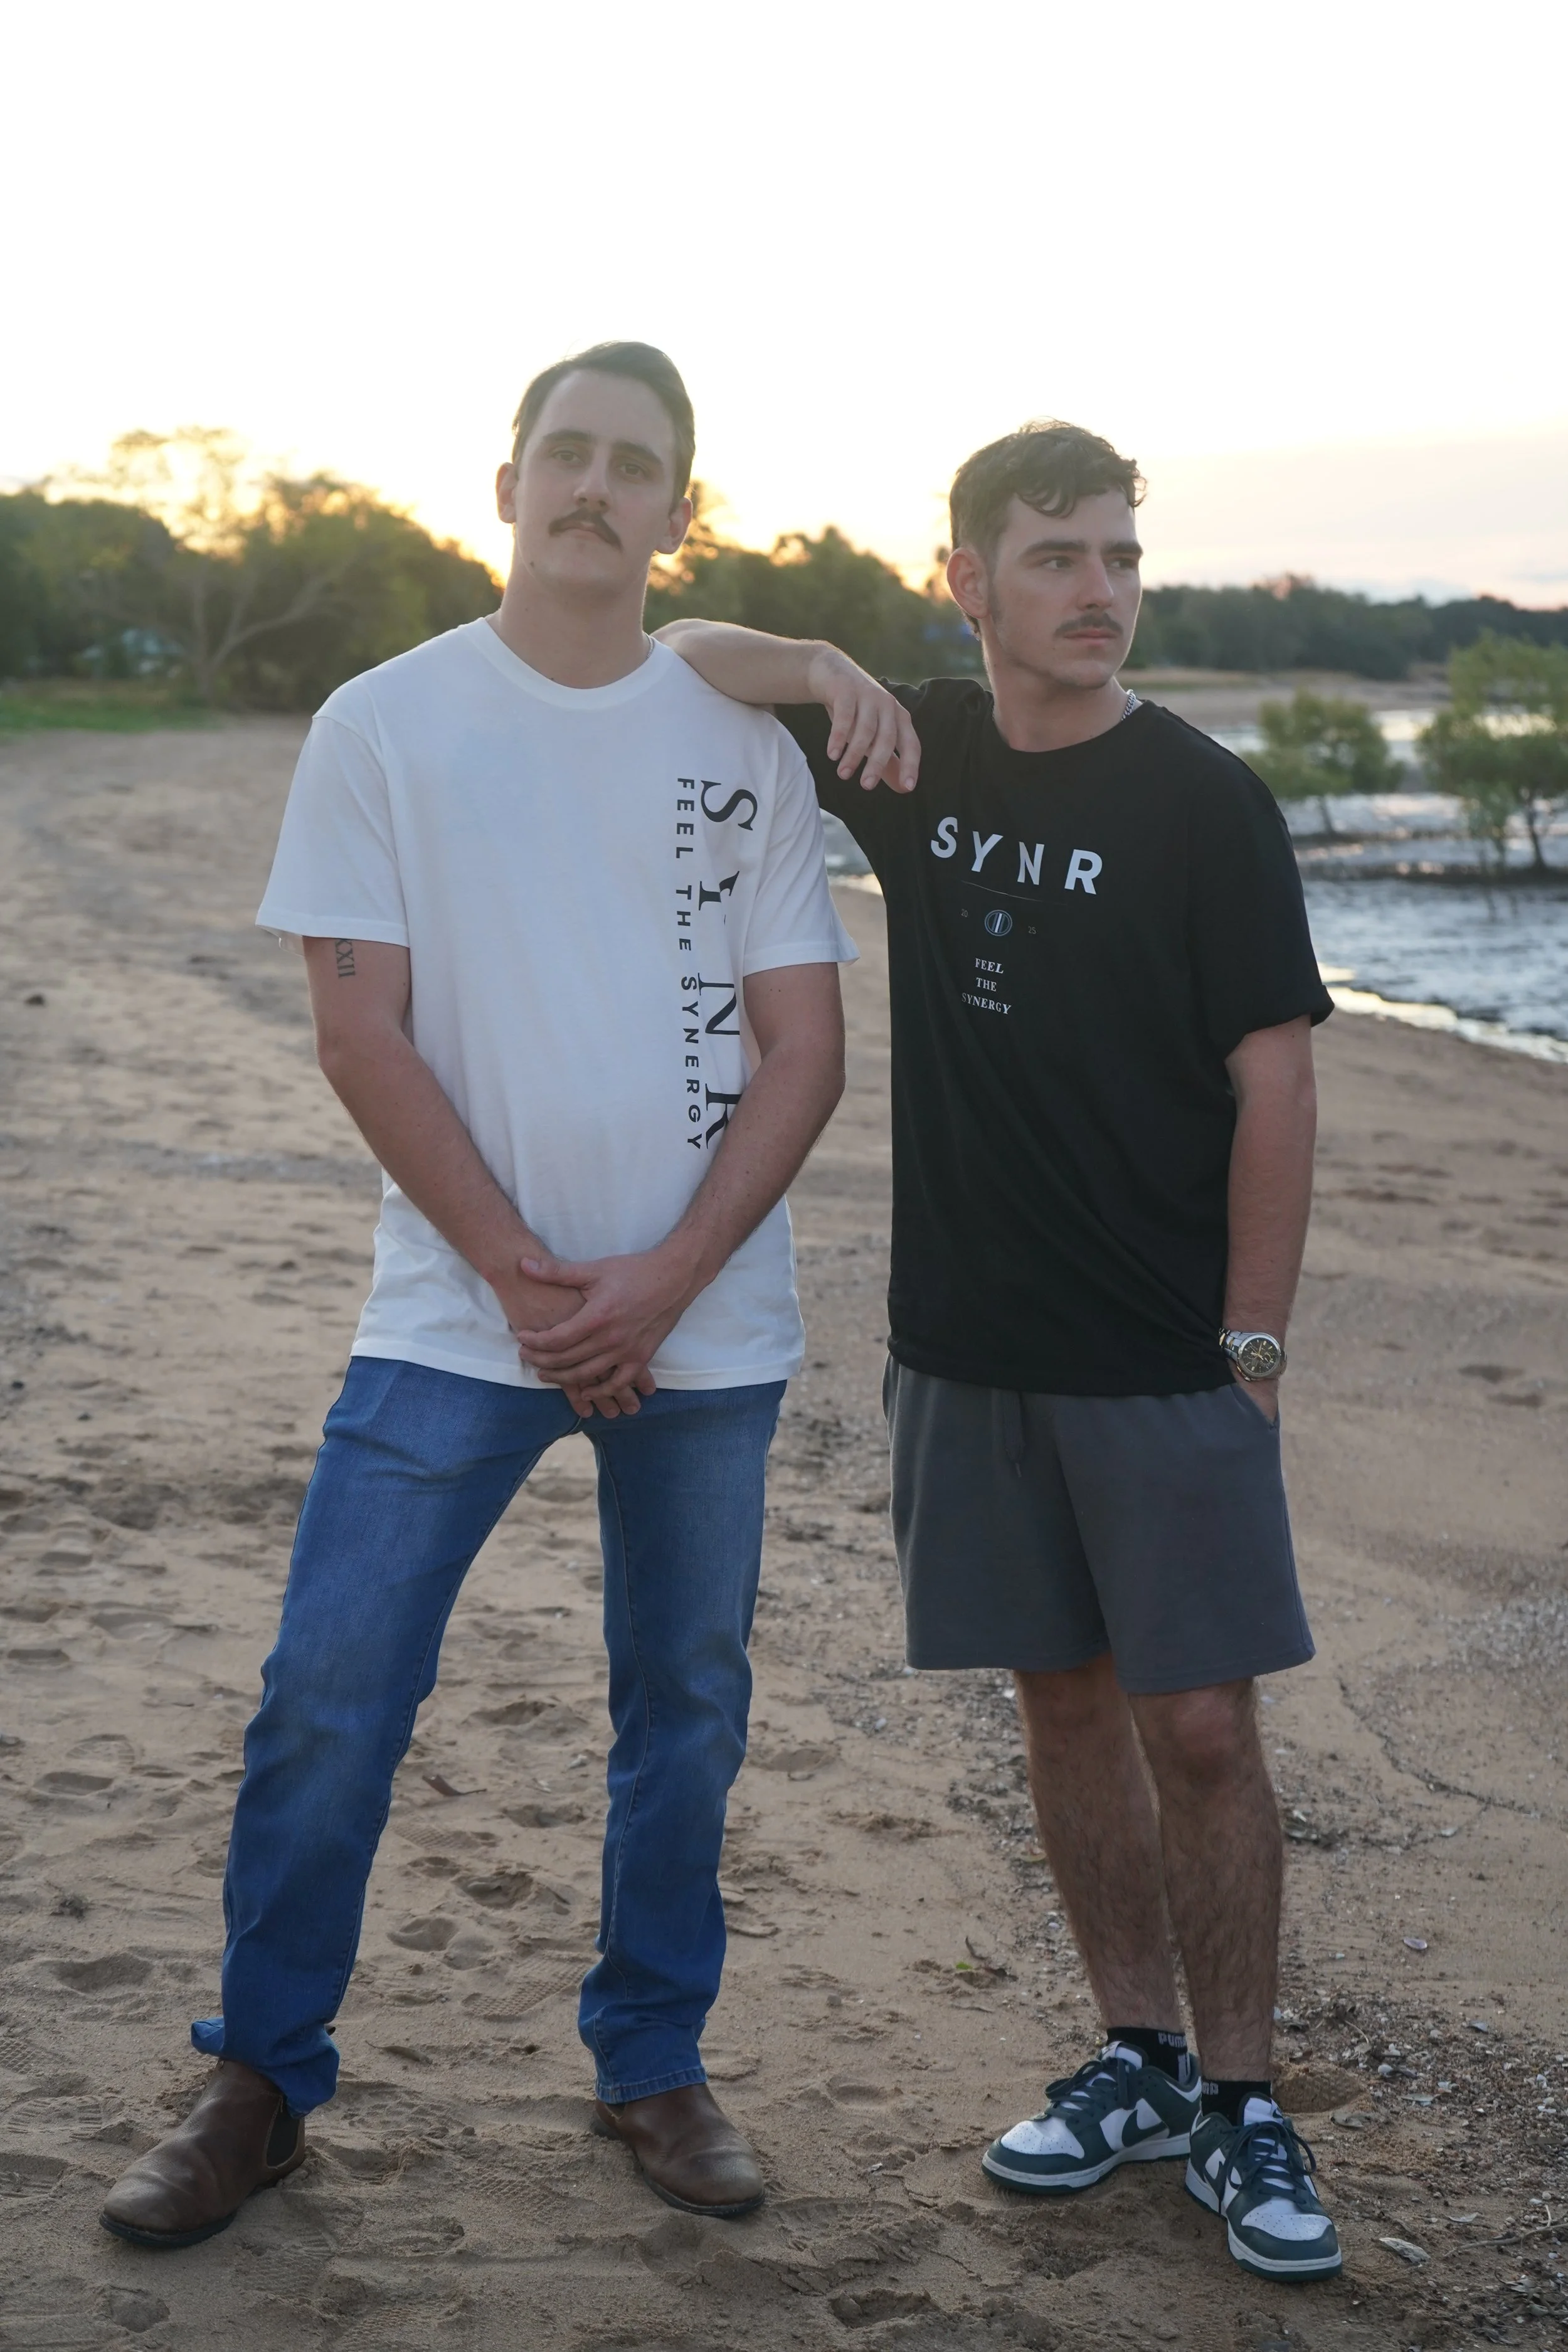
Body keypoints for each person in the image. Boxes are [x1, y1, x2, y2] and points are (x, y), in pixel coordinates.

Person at [100, 342, 856, 2250]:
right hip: (454, 1318)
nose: (597, 487)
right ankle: (260, 2077)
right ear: (504, 482)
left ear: (679, 512)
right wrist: (531, 1283)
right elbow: (357, 1031)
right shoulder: (383, 723)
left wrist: (662, 1280)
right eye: (568, 454)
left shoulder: (744, 747)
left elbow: (804, 1051)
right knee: (330, 1693)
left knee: (682, 1702)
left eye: (637, 466)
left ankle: (651, 2061)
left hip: (707, 1324)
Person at [658, 420, 1342, 2283]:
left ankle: (1243, 2094)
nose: (1099, 592)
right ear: (965, 580)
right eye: (1054, 557)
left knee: (1198, 1725)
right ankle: (1130, 2053)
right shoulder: (915, 751)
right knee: (1055, 1702)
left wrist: (1253, 1339)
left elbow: (1273, 1075)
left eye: (1119, 556)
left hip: (1163, 1347)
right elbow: (672, 654)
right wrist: (811, 662)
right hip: (965, 1342)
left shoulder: (1205, 804)